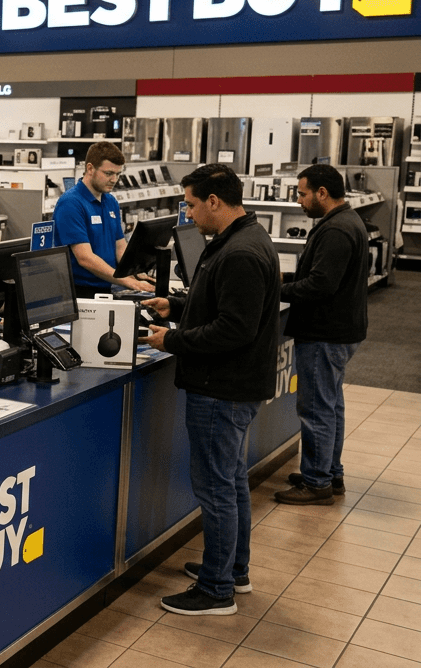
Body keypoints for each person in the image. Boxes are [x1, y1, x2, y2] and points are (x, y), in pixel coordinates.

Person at [140, 164, 280, 616]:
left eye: (192, 204)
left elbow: (233, 329)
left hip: (221, 387)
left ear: (214, 202)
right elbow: (225, 304)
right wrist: (178, 304)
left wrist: (173, 339)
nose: (189, 213)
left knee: (216, 487)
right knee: (232, 480)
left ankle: (217, 589)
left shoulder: (239, 252)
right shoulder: (245, 239)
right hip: (233, 386)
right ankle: (232, 569)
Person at [273, 163, 369, 506]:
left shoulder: (336, 230)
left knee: (315, 408)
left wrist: (276, 291)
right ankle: (330, 472)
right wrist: (283, 280)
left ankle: (316, 482)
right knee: (330, 406)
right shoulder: (345, 221)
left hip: (326, 333)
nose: (299, 201)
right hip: (341, 329)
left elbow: (320, 285)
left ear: (322, 193)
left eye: (302, 193)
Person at [53, 142, 153, 298]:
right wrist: (127, 281)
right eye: (108, 173)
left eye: (118, 174)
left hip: (107, 286)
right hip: (79, 292)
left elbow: (120, 247)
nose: (114, 179)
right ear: (90, 168)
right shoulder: (71, 203)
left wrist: (136, 272)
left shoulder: (110, 201)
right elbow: (85, 258)